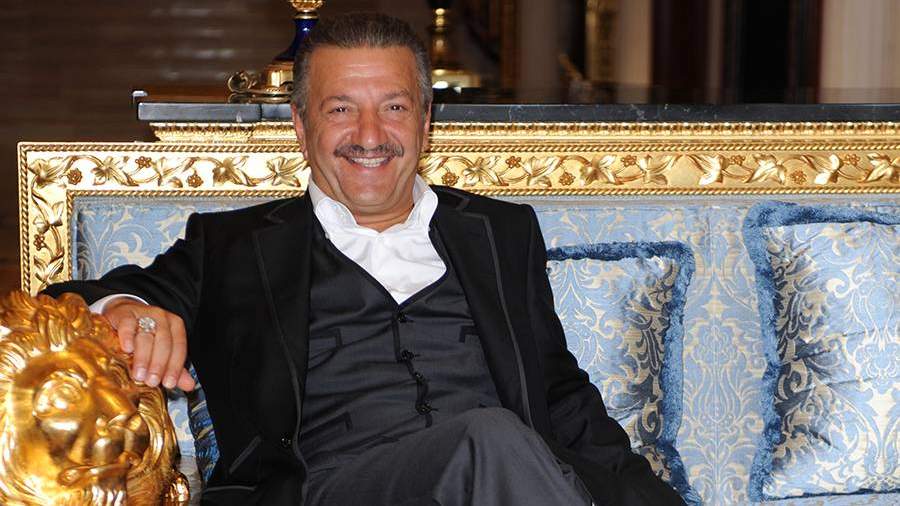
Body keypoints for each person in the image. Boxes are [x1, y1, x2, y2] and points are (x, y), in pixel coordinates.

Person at [43, 12, 685, 506]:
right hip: (329, 490)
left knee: (499, 443)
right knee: (487, 437)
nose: (370, 136)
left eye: (394, 108)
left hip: (507, 483)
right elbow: (60, 302)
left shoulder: (501, 231)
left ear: (425, 121)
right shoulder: (235, 246)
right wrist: (126, 309)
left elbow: (561, 397)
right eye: (341, 110)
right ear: (301, 126)